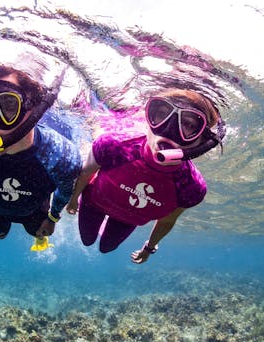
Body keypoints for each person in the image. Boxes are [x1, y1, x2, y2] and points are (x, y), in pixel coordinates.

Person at [66, 89, 226, 264]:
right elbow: (86, 172)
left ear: (203, 142)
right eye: (161, 115)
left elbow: (167, 221)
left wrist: (149, 247)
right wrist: (74, 199)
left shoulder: (191, 187)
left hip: (127, 221)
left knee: (107, 248)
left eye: (188, 125)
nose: (168, 130)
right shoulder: (113, 146)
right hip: (93, 204)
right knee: (87, 240)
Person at [0, 64, 82, 251]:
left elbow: (65, 190)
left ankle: (40, 238)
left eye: (9, 106)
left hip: (35, 212)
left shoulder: (61, 155)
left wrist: (52, 218)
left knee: (37, 231)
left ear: (34, 113)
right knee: (0, 234)